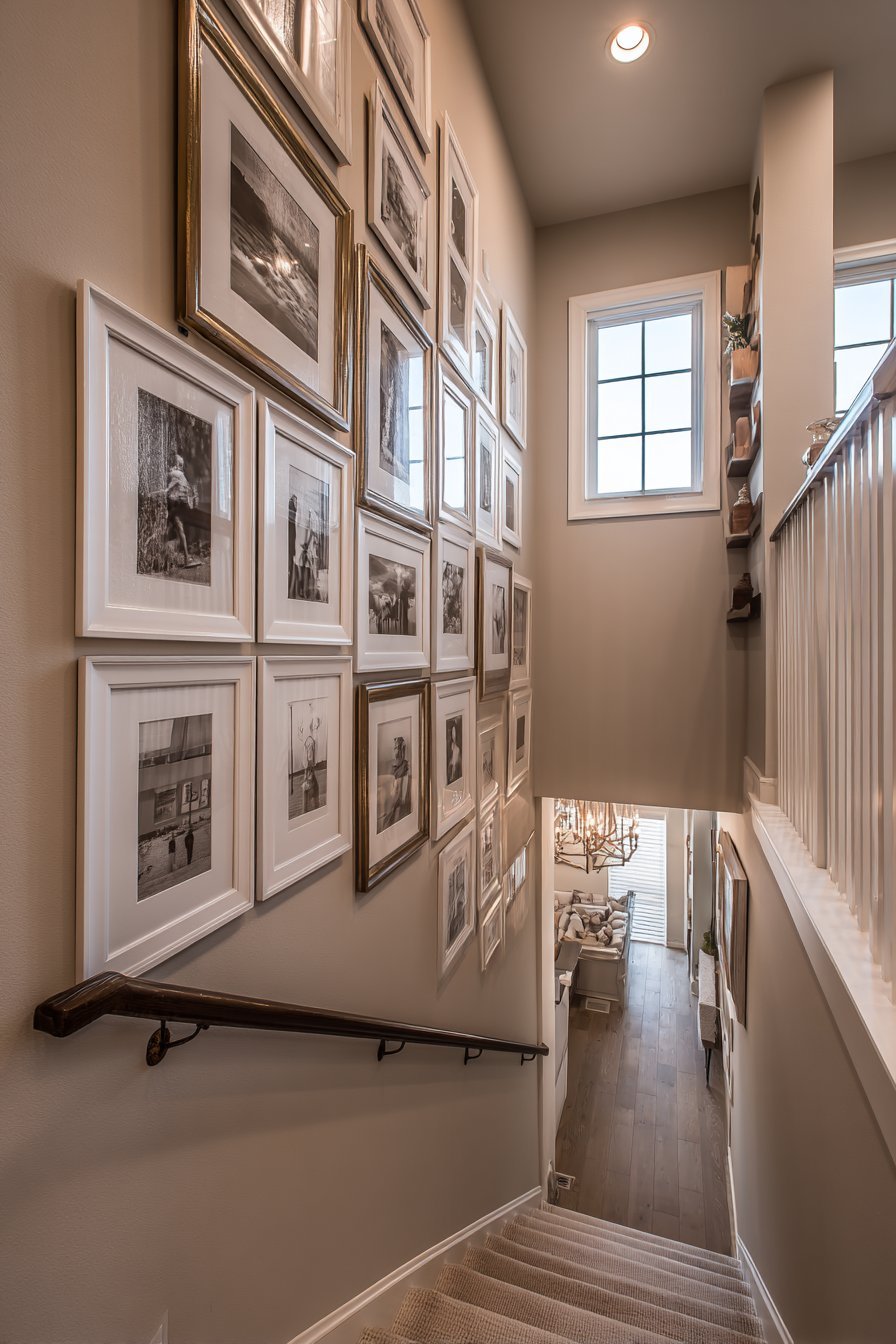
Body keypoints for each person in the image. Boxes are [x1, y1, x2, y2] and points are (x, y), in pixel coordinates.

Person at [166, 454, 199, 570]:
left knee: (174, 530)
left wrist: (166, 490)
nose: (181, 466)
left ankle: (183, 558)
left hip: (174, 507)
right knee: (178, 531)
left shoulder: (174, 474)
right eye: (181, 464)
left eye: (181, 464)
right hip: (178, 507)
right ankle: (185, 558)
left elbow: (171, 487)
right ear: (178, 464)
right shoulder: (180, 474)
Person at [384, 736, 410, 828]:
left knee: (396, 817)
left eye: (398, 748)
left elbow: (403, 783)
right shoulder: (390, 765)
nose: (397, 751)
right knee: (389, 817)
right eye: (395, 748)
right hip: (391, 795)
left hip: (398, 796)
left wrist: (402, 797)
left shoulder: (404, 765)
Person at [302, 735, 319, 813]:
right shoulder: (310, 741)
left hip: (308, 768)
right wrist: (310, 768)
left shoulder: (308, 740)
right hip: (309, 768)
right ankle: (311, 808)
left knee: (309, 787)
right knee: (312, 788)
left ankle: (307, 808)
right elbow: (309, 757)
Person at [287, 493, 298, 599]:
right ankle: (290, 591)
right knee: (290, 567)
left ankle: (291, 592)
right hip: (290, 542)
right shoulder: (291, 508)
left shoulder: (293, 511)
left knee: (291, 566)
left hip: (292, 542)